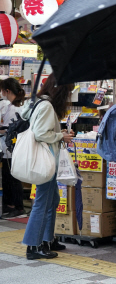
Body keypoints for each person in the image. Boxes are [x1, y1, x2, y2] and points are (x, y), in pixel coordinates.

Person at [21, 76, 74, 259]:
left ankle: (47, 240)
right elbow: (41, 133)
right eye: (68, 92)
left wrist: (60, 135)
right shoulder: (46, 106)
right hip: (45, 160)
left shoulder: (40, 103)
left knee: (52, 200)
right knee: (43, 203)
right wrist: (61, 137)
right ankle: (33, 246)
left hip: (47, 160)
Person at [0, 78, 27, 218]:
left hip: (12, 148)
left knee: (12, 178)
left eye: (2, 90)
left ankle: (17, 207)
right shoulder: (17, 105)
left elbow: (8, 129)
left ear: (7, 91)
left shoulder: (14, 108)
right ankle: (10, 205)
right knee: (9, 177)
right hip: (11, 148)